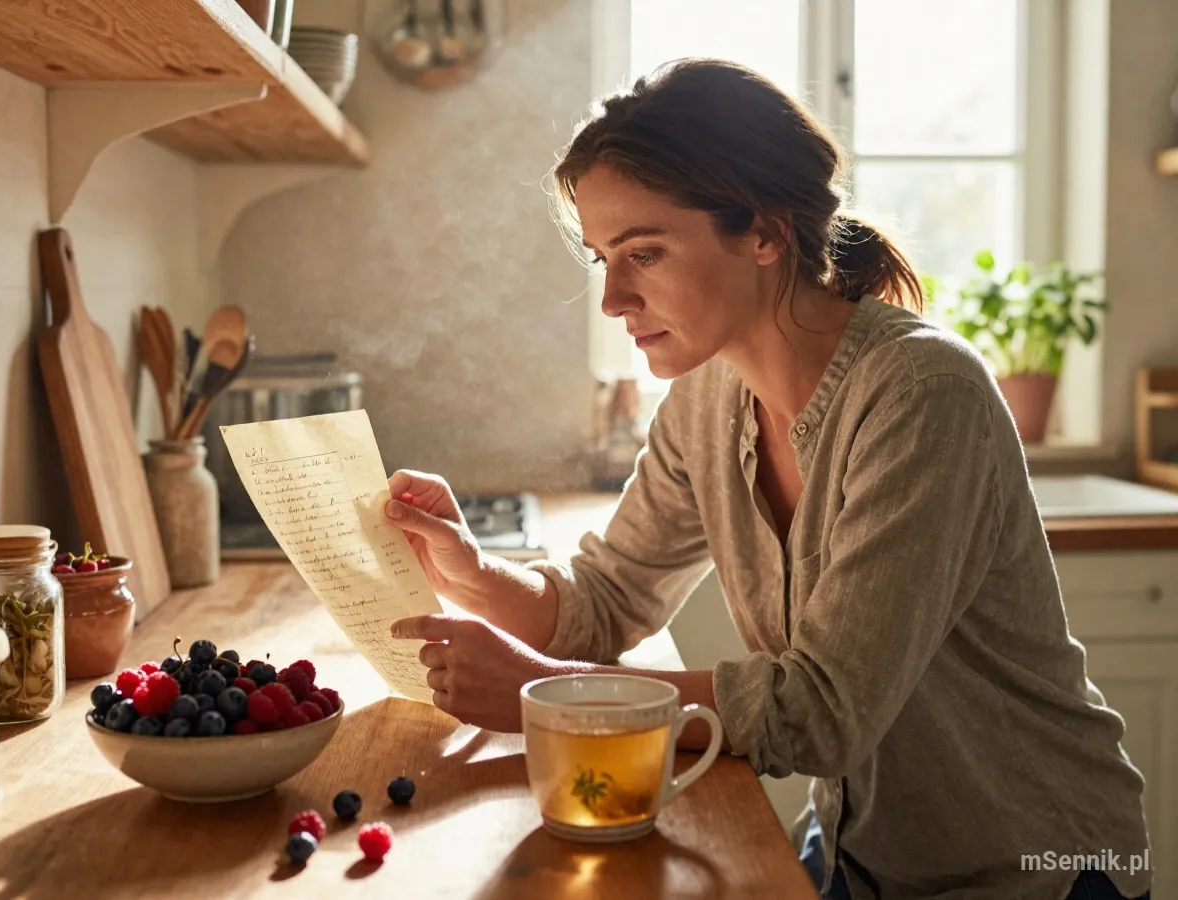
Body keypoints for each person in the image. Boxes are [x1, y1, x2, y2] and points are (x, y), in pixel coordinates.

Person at [388, 59, 1151, 900]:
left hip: (1036, 869)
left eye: (644, 253)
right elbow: (607, 601)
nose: (611, 298)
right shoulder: (705, 395)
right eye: (604, 256)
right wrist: (473, 573)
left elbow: (819, 713)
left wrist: (541, 693)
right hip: (860, 853)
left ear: (763, 233)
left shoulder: (923, 395)